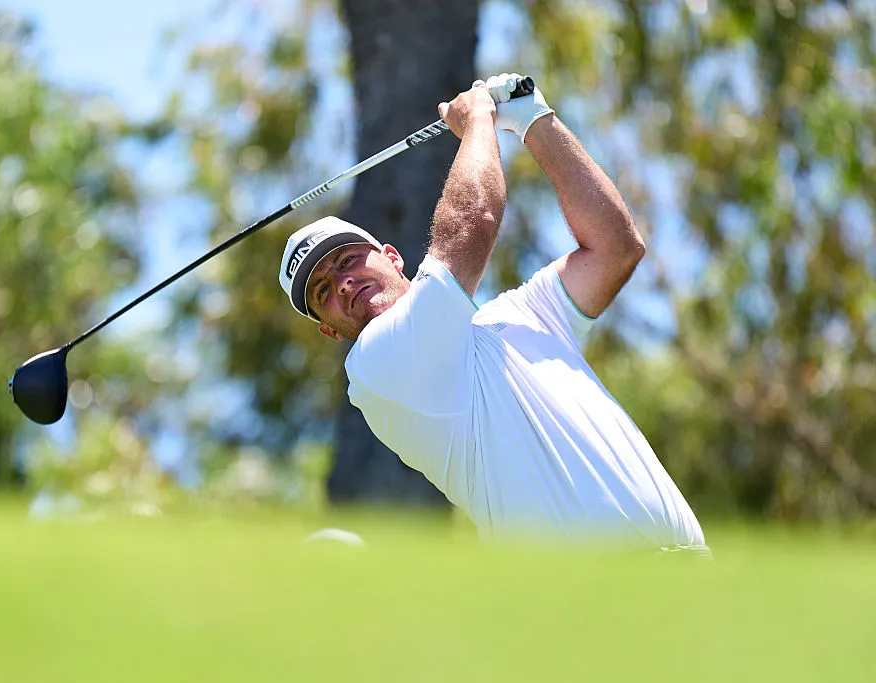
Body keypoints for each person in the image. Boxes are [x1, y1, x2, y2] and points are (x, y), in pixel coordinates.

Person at [277, 73, 706, 551]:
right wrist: (479, 119)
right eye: (324, 291)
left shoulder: (520, 312)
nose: (343, 282)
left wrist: (534, 120)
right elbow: (473, 224)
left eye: (347, 259)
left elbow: (616, 249)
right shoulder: (378, 365)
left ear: (393, 257)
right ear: (331, 332)